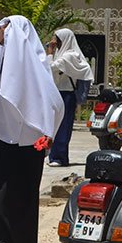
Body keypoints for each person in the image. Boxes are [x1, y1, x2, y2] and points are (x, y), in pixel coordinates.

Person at [0, 16, 63, 243]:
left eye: (9, 30)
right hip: (3, 135)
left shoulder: (37, 65)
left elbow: (54, 103)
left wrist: (49, 134)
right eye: (1, 29)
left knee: (24, 194)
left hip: (30, 139)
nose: (4, 34)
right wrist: (1, 47)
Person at [46, 28, 94, 167]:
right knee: (54, 125)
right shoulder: (60, 54)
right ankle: (53, 156)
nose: (53, 41)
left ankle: (60, 158)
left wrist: (49, 53)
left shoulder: (70, 56)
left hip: (66, 94)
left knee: (63, 126)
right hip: (57, 93)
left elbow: (51, 67)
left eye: (56, 38)